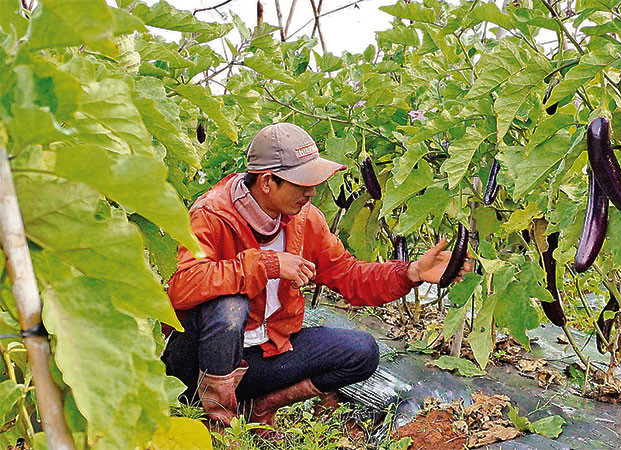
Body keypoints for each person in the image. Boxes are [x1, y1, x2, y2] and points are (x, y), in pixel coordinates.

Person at [162, 122, 471, 438]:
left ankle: (258, 408)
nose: (312, 192)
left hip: (261, 357)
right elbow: (182, 286)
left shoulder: (305, 220)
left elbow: (349, 275)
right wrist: (267, 264)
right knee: (230, 304)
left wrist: (411, 273)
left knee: (361, 350)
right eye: (302, 183)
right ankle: (219, 423)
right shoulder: (212, 213)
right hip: (197, 365)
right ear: (268, 181)